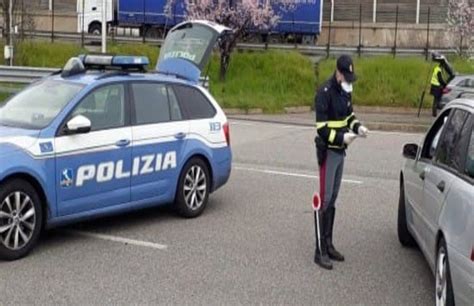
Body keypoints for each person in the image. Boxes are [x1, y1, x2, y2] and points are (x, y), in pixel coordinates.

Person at [313, 55, 369, 270]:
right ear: (337, 73)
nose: (348, 81)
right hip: (328, 153)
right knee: (325, 200)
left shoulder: (345, 92)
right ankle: (320, 250)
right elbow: (321, 128)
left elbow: (349, 117)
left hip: (341, 152)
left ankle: (329, 243)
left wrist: (358, 128)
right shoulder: (324, 93)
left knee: (334, 198)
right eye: (346, 77)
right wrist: (340, 138)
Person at [430, 53, 448, 117]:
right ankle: (434, 114)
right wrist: (445, 84)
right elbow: (440, 79)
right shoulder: (439, 70)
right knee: (436, 100)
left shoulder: (436, 68)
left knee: (435, 100)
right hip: (436, 86)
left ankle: (434, 113)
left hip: (433, 85)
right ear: (442, 65)